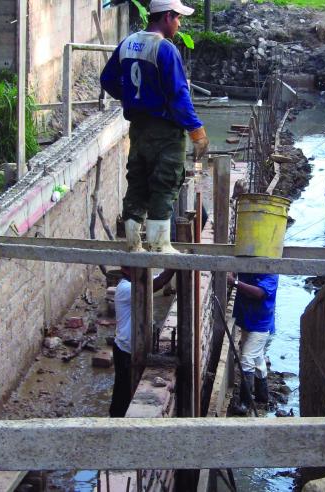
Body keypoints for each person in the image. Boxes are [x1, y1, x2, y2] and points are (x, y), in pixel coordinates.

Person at [100, 0, 209, 254]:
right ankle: (160, 245)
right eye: (178, 18)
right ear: (167, 17)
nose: (179, 24)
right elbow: (179, 96)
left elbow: (107, 79)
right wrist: (197, 132)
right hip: (165, 130)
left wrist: (130, 97)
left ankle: (133, 242)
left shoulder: (128, 44)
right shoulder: (165, 49)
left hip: (138, 128)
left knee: (138, 180)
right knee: (165, 181)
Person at [109, 266, 175, 417]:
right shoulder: (126, 288)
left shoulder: (136, 282)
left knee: (129, 388)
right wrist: (175, 266)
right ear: (130, 271)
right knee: (122, 394)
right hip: (125, 350)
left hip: (132, 348)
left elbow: (158, 279)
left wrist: (169, 269)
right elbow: (156, 284)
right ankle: (115, 423)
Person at [227, 272, 279, 413]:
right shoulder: (250, 267)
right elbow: (237, 269)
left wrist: (234, 282)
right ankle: (262, 396)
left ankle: (245, 403)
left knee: (247, 359)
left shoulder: (271, 274)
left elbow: (259, 293)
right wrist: (233, 273)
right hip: (248, 320)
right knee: (257, 358)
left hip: (261, 325)